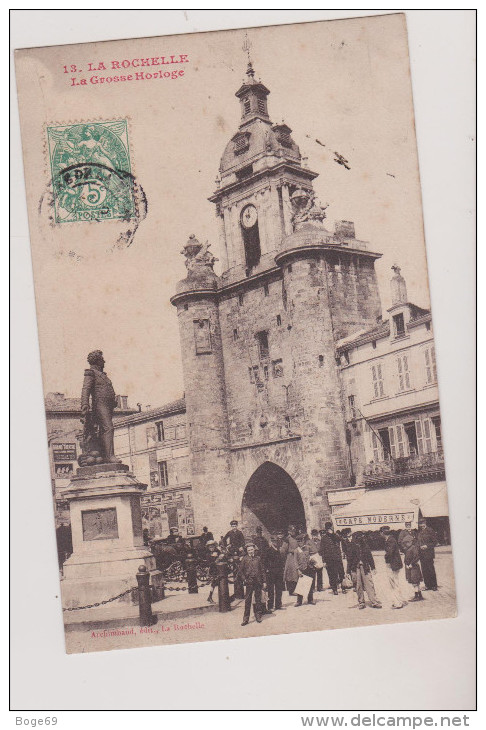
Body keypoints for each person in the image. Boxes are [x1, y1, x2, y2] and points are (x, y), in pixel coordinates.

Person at [80, 350, 121, 464]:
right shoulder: (91, 373)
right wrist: (85, 404)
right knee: (108, 428)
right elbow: (86, 389)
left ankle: (103, 455)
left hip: (108, 406)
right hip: (99, 405)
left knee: (103, 430)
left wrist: (113, 401)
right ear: (97, 361)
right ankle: (109, 456)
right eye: (102, 359)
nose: (104, 361)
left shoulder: (103, 375)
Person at [346, 531, 382, 609]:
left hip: (365, 567)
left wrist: (373, 567)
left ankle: (374, 601)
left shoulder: (365, 545)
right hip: (355, 568)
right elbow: (349, 560)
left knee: (369, 584)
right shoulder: (351, 546)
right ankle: (361, 602)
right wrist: (348, 571)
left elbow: (370, 557)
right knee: (358, 585)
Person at [238, 542, 266, 626]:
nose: (250, 551)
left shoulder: (258, 558)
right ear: (247, 551)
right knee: (248, 601)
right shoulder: (244, 559)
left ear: (254, 549)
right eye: (248, 550)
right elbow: (240, 571)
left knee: (258, 600)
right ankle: (245, 619)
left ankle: (258, 616)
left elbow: (263, 571)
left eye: (251, 549)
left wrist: (264, 581)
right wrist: (244, 580)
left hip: (258, 582)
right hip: (249, 582)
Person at [380, 525, 406, 609]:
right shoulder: (391, 539)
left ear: (383, 533)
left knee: (393, 584)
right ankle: (400, 600)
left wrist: (385, 557)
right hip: (395, 564)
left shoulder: (390, 540)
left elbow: (389, 553)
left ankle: (398, 603)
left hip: (392, 565)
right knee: (395, 583)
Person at [320, 522, 346, 595]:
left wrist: (333, 534)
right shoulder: (323, 538)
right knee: (331, 574)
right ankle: (334, 589)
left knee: (341, 573)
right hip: (329, 559)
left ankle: (343, 587)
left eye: (331, 528)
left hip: (337, 558)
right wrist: (324, 561)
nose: (330, 529)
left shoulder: (335, 536)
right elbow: (322, 550)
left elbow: (341, 539)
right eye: (329, 528)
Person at [294, 533, 316, 606]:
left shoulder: (308, 547)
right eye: (298, 541)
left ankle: (310, 600)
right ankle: (299, 601)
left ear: (304, 541)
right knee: (301, 585)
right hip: (302, 568)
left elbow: (314, 552)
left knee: (310, 584)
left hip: (309, 568)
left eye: (301, 541)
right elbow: (295, 561)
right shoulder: (296, 550)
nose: (300, 543)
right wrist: (298, 570)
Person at [265, 534, 286, 611]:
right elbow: (265, 561)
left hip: (279, 572)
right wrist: (267, 569)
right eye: (273, 541)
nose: (275, 543)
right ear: (271, 541)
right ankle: (270, 606)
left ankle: (278, 605)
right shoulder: (268, 550)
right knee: (270, 590)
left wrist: (282, 569)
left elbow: (282, 561)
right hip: (271, 572)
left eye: (276, 541)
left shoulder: (279, 550)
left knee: (279, 589)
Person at [417, 518, 438, 591]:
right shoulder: (419, 532)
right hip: (421, 554)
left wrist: (427, 546)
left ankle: (434, 585)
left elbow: (435, 542)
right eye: (420, 524)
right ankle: (427, 585)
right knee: (424, 570)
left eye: (422, 523)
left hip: (429, 553)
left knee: (430, 569)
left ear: (425, 523)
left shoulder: (430, 530)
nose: (421, 525)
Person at [404, 534, 424, 602]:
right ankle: (420, 595)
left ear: (411, 541)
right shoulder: (408, 549)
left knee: (415, 582)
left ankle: (416, 596)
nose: (406, 544)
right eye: (405, 543)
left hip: (414, 567)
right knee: (415, 582)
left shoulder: (413, 548)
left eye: (408, 542)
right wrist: (406, 564)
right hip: (410, 567)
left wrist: (411, 564)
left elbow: (417, 557)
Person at [283, 524, 299, 595]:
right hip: (291, 557)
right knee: (291, 574)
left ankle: (297, 589)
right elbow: (283, 550)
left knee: (297, 573)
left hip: (297, 556)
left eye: (294, 530)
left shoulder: (297, 537)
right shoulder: (287, 539)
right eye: (292, 530)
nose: (293, 532)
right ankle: (291, 590)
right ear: (289, 531)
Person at [206, 540, 221, 604]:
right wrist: (215, 558)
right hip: (213, 570)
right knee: (213, 584)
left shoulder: (218, 552)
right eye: (210, 547)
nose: (211, 548)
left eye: (212, 547)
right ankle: (210, 597)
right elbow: (209, 563)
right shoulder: (208, 554)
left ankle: (210, 597)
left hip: (219, 569)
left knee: (218, 584)